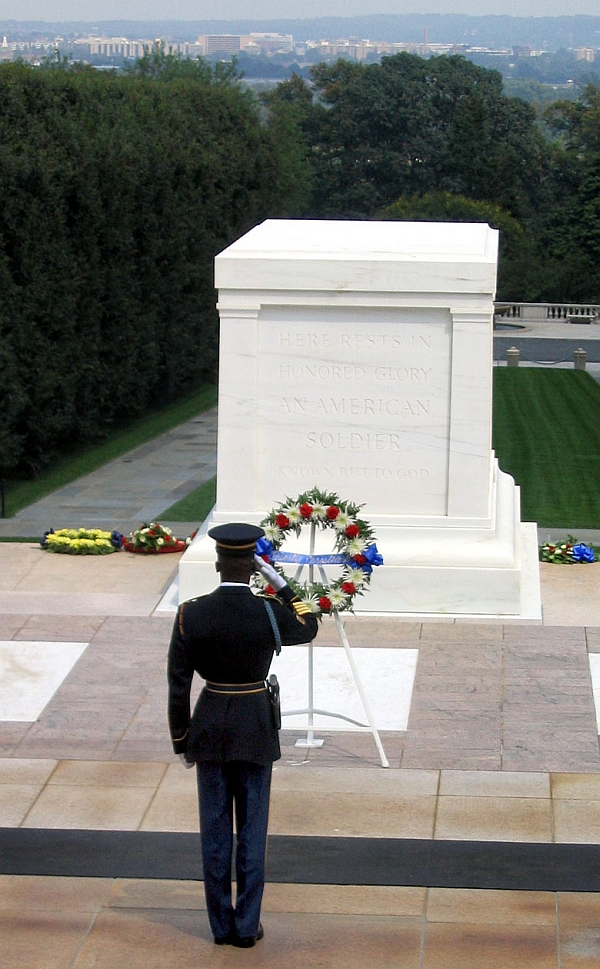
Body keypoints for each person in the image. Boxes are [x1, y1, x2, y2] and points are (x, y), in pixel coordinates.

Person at [167, 522, 318, 947]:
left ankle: (220, 927)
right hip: (254, 725)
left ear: (217, 563)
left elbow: (178, 683)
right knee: (252, 830)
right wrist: (283, 586)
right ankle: (247, 926)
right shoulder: (270, 611)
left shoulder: (191, 612)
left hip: (211, 725)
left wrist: (182, 738)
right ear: (253, 566)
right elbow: (310, 625)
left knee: (214, 832)